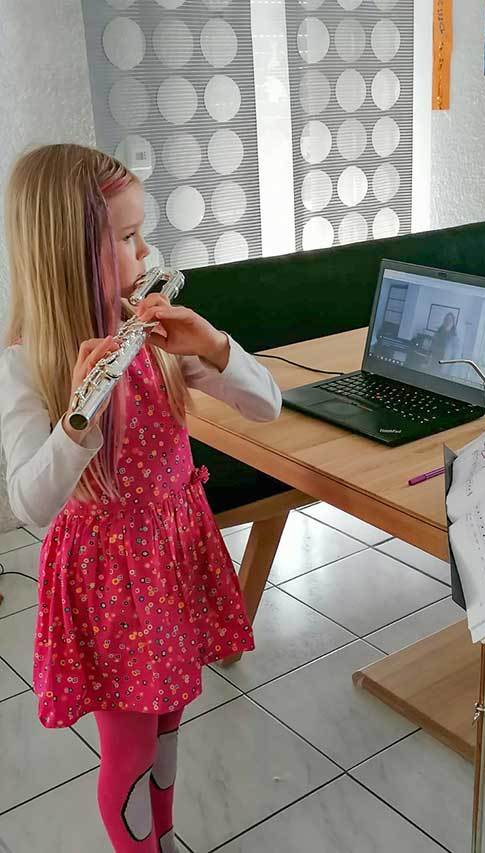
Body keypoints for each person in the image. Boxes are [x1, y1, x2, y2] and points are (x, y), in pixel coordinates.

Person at [0, 144, 281, 852]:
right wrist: (79, 415)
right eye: (127, 237)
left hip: (173, 557)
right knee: (128, 750)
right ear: (71, 255)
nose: (146, 250)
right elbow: (29, 503)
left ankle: (164, 835)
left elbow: (267, 405)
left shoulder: (152, 336)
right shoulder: (25, 364)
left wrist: (213, 345)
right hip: (111, 584)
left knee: (170, 723)